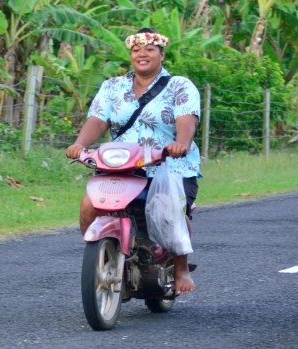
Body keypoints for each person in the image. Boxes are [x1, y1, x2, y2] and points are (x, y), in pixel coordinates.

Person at [65, 28, 201, 295]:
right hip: (121, 165)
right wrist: (80, 144)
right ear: (130, 55)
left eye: (150, 49)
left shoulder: (179, 86)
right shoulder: (112, 87)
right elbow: (97, 121)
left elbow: (187, 121)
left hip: (168, 165)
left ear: (161, 54)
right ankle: (105, 258)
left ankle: (181, 267)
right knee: (88, 205)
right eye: (137, 49)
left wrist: (180, 144)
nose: (143, 54)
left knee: (170, 207)